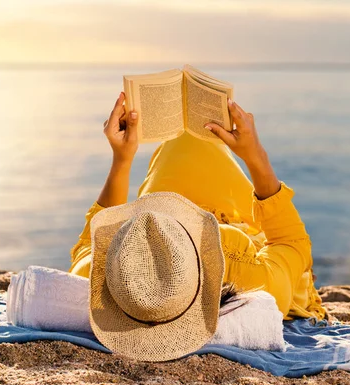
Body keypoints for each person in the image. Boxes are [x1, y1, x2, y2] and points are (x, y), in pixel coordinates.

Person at [68, 92, 327, 360]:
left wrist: (121, 158)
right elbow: (292, 241)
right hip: (223, 215)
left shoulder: (114, 267)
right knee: (189, 136)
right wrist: (255, 154)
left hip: (159, 222)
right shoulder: (251, 279)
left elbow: (91, 241)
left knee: (183, 136)